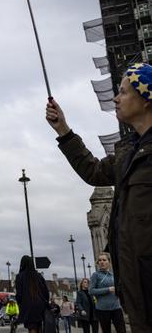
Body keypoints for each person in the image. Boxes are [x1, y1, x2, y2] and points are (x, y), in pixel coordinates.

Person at [46, 63, 152, 332]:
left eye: (125, 92)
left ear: (147, 98)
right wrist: (63, 131)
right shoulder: (128, 154)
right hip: (137, 287)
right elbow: (92, 170)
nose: (116, 98)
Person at [89, 253, 126, 333]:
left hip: (116, 307)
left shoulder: (114, 274)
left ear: (109, 262)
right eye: (100, 260)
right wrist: (108, 289)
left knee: (122, 330)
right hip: (103, 309)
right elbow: (91, 291)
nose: (102, 262)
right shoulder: (96, 275)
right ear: (98, 263)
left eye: (104, 260)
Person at [15, 255, 49, 333]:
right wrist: (46, 303)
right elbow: (46, 292)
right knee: (39, 325)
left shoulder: (20, 276)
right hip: (40, 305)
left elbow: (19, 294)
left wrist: (20, 304)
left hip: (28, 305)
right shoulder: (38, 275)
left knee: (32, 327)